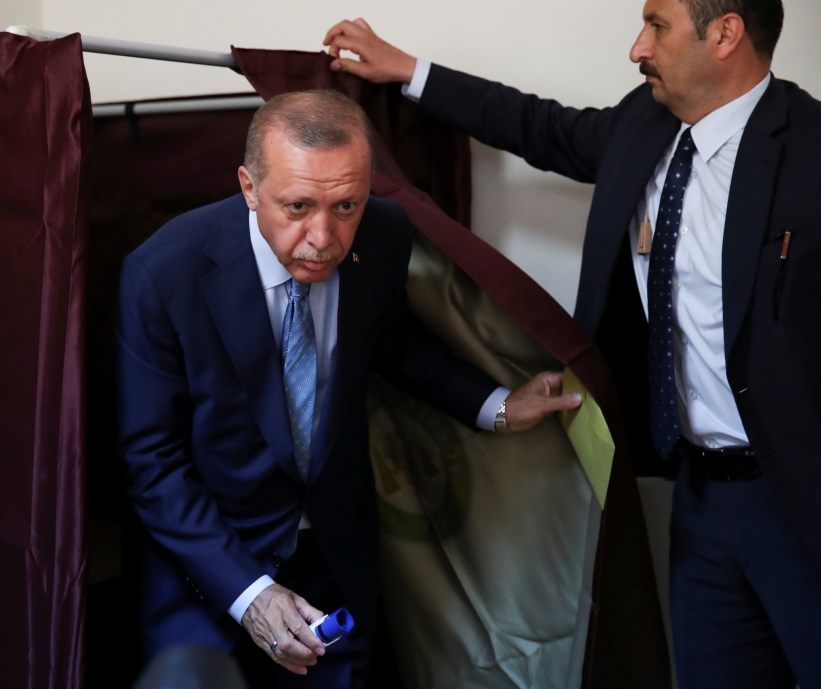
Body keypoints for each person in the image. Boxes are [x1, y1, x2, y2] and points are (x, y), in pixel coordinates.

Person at [323, 2, 821, 688]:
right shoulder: (645, 125)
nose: (637, 48)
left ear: (726, 34)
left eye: (658, 26)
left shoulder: (812, 151)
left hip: (800, 498)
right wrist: (410, 71)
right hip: (698, 499)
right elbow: (537, 125)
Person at [116, 89, 582, 688]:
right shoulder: (162, 273)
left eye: (346, 206)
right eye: (298, 206)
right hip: (205, 571)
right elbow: (151, 463)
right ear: (249, 187)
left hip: (332, 557)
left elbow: (393, 343)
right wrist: (251, 593)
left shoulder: (384, 235)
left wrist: (496, 405)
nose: (323, 237)